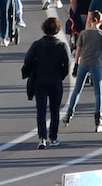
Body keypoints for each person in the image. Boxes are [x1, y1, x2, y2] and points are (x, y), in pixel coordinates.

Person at [21, 17, 71, 148]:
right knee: (55, 111)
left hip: (40, 80)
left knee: (41, 110)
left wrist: (28, 72)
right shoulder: (61, 46)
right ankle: (53, 137)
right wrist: (61, 75)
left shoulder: (37, 44)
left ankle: (42, 137)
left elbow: (28, 61)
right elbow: (66, 65)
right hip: (55, 81)